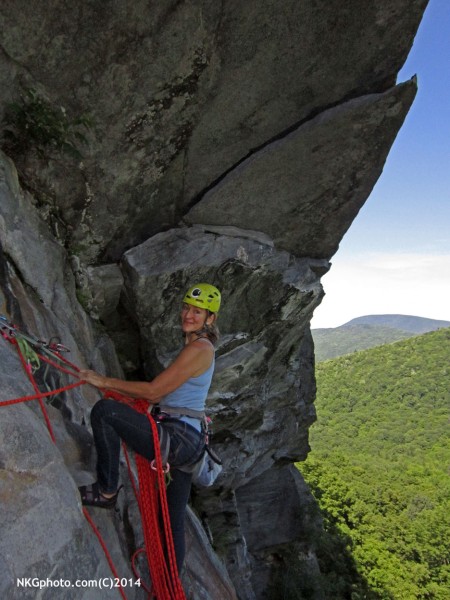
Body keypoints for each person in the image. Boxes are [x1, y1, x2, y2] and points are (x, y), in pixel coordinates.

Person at [78, 283, 221, 572]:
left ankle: (106, 492)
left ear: (210, 319)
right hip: (189, 442)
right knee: (171, 519)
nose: (187, 315)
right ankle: (170, 586)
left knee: (105, 412)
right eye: (186, 308)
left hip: (179, 438)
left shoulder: (199, 348)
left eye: (197, 311)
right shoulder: (199, 347)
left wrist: (104, 382)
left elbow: (154, 391)